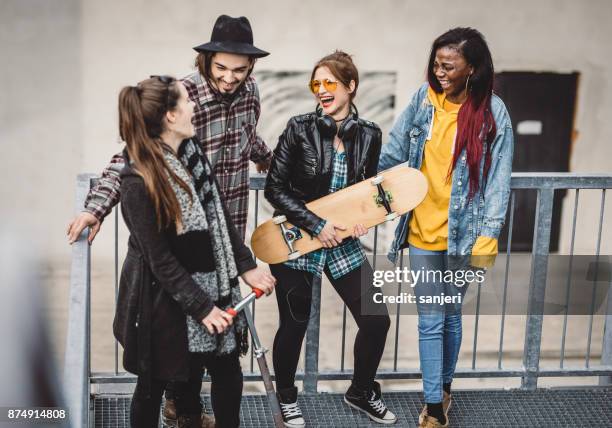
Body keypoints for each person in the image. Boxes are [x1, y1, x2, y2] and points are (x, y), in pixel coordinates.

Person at [66, 15, 271, 425]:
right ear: (206, 60)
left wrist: (277, 168)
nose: (230, 78)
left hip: (224, 239)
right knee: (174, 359)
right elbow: (127, 159)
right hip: (179, 248)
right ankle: (183, 408)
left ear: (250, 68)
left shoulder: (250, 94)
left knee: (219, 356)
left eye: (239, 69)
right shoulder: (180, 96)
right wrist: (96, 206)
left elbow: (250, 141)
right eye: (222, 68)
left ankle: (188, 411)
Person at [112, 75, 276, 428]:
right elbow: (160, 261)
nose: (194, 107)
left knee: (227, 369)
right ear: (170, 116)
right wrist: (203, 307)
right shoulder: (137, 179)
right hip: (159, 302)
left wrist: (245, 266)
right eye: (187, 101)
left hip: (214, 285)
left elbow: (219, 214)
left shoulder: (191, 152)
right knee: (153, 385)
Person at [378, 28, 514, 427]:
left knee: (451, 313)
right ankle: (433, 402)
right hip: (421, 228)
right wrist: (372, 194)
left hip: (465, 234)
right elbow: (393, 152)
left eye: (448, 66)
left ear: (472, 68)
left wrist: (489, 234)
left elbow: (497, 180)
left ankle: (445, 386)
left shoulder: (493, 112)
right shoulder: (423, 100)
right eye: (436, 63)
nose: (438, 72)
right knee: (431, 317)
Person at [264, 51, 397, 426]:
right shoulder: (298, 127)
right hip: (297, 240)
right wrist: (316, 223)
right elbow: (275, 189)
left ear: (350, 86)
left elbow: (366, 193)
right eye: (316, 84)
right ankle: (287, 399)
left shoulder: (369, 135)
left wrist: (363, 221)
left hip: (342, 241)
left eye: (330, 83)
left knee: (376, 320)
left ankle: (360, 391)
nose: (322, 91)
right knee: (294, 324)